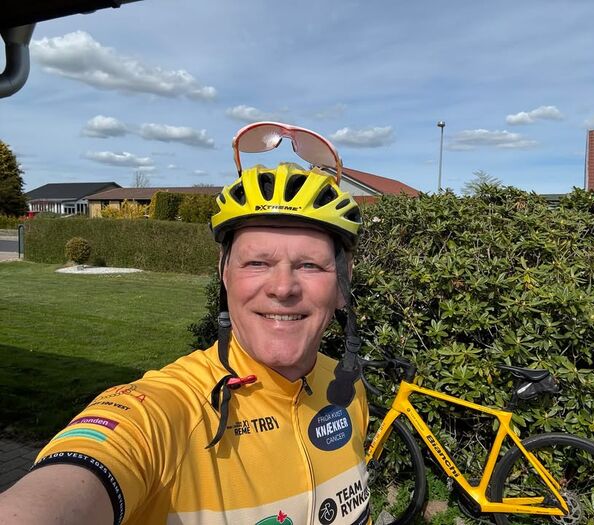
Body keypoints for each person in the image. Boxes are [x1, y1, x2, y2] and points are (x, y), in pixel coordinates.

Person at [0, 123, 370, 525]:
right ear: (224, 274)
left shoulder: (347, 387)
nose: (282, 288)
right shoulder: (167, 410)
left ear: (342, 283)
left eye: (310, 265)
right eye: (257, 262)